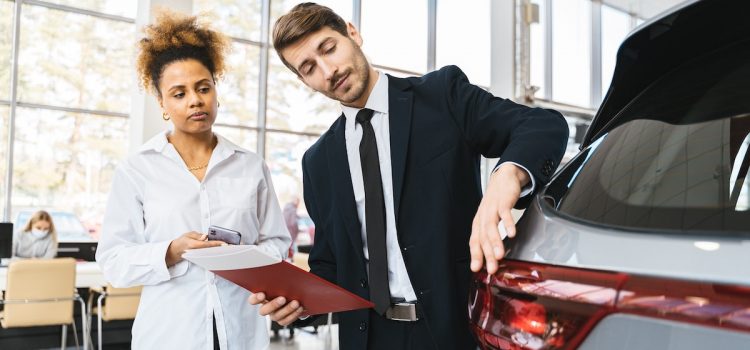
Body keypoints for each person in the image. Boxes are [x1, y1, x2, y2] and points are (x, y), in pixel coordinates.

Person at [248, 3, 568, 349]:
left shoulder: (442, 96)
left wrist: (506, 177)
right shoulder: (318, 161)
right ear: (303, 80)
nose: (328, 70)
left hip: (453, 330)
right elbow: (330, 265)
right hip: (369, 337)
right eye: (309, 67)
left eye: (329, 48)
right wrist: (298, 304)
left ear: (352, 33)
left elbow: (542, 125)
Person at [96, 11, 291, 350]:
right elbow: (113, 261)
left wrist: (242, 256)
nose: (195, 100)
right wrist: (171, 251)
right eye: (179, 93)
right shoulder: (137, 170)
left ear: (216, 92)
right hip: (170, 333)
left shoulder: (250, 166)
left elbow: (276, 242)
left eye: (204, 88)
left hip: (240, 330)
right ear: (162, 103)